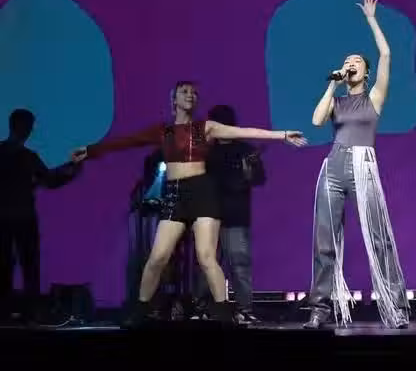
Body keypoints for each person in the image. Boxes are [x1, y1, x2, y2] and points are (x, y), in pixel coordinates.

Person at [71, 81, 306, 325]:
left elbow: (244, 132)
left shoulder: (206, 127)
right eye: (184, 92)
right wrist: (90, 151)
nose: (190, 95)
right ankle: (139, 311)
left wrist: (282, 135)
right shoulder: (163, 131)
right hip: (175, 194)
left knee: (206, 257)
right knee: (157, 257)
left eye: (194, 93)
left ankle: (225, 316)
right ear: (173, 99)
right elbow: (127, 141)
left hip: (203, 192)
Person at [304, 0, 409, 330]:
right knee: (325, 242)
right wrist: (331, 86)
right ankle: (319, 309)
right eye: (346, 61)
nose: (350, 63)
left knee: (379, 238)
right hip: (333, 167)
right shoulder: (337, 100)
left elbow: (387, 54)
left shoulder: (373, 97)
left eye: (356, 62)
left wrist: (371, 19)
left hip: (364, 166)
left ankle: (396, 306)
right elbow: (317, 120)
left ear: (366, 72)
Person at [0, 109, 81, 322]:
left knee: (9, 266)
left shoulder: (18, 155)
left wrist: (70, 170)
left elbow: (48, 179)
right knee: (28, 266)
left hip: (10, 218)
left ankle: (7, 313)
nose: (30, 130)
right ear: (22, 127)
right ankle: (29, 312)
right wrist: (72, 171)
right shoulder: (28, 157)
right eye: (28, 125)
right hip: (22, 217)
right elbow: (50, 180)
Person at [194, 104, 266, 325]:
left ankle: (244, 308)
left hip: (235, 215)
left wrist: (248, 168)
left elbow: (258, 179)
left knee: (239, 263)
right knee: (207, 262)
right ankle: (203, 306)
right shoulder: (204, 151)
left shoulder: (245, 150)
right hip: (208, 215)